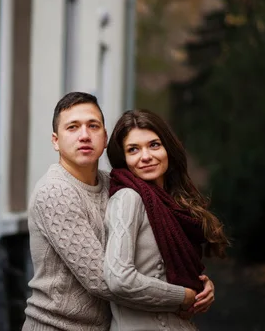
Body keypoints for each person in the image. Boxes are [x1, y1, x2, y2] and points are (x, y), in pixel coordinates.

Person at [22, 93, 215, 331]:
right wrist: (185, 295)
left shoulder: (114, 184)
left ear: (104, 138)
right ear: (55, 140)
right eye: (72, 127)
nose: (84, 135)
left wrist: (198, 283)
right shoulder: (55, 191)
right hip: (57, 326)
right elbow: (105, 281)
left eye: (93, 126)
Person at [104, 109, 230, 330]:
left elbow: (170, 268)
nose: (146, 157)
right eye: (133, 149)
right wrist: (184, 295)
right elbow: (119, 278)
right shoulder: (128, 198)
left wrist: (202, 286)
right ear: (123, 159)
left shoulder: (172, 202)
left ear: (168, 149)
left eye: (154, 145)